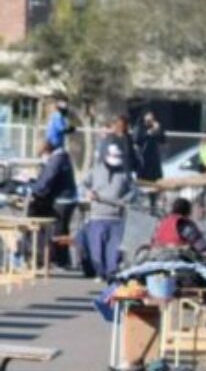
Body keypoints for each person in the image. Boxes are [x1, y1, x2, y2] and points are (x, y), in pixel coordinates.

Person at [81, 122, 138, 280]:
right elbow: (82, 185)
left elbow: (134, 191)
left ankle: (111, 275)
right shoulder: (96, 170)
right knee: (97, 252)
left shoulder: (124, 174)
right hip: (97, 217)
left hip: (116, 219)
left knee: (113, 253)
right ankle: (100, 273)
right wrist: (87, 193)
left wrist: (124, 201)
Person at [26, 140, 76, 269]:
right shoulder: (61, 158)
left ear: (46, 152)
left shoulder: (56, 160)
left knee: (58, 232)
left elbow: (46, 181)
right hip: (67, 198)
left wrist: (33, 188)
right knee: (62, 230)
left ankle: (60, 261)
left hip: (62, 200)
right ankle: (63, 260)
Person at [134, 111, 166, 182]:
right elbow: (136, 139)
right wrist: (148, 133)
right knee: (143, 179)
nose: (151, 118)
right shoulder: (140, 127)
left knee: (155, 179)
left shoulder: (155, 127)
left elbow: (162, 140)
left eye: (152, 116)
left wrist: (158, 130)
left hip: (154, 157)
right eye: (148, 116)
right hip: (143, 157)